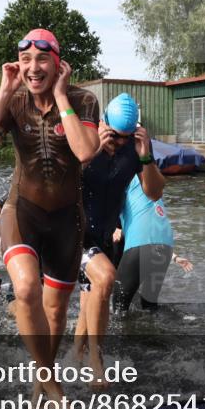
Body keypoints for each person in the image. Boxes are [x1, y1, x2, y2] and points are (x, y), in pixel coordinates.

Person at [0, 27, 99, 409]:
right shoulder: (15, 100)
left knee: (56, 310)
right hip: (21, 210)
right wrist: (3, 91)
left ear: (57, 63)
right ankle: (51, 381)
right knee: (25, 289)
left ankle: (42, 377)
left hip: (67, 219)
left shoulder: (82, 99)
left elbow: (86, 151)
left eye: (41, 59)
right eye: (25, 61)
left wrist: (60, 97)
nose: (33, 67)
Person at [76, 93, 164, 385]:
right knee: (104, 279)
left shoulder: (133, 151)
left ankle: (76, 354)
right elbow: (60, 183)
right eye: (114, 135)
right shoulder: (86, 143)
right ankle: (95, 363)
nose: (119, 142)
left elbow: (154, 193)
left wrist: (146, 155)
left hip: (102, 235)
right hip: (72, 232)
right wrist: (91, 152)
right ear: (103, 125)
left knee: (91, 294)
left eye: (127, 137)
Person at [114, 175, 192, 312]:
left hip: (141, 241)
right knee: (149, 305)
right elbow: (149, 220)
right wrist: (174, 256)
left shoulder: (122, 178)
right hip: (165, 245)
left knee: (119, 306)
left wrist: (113, 228)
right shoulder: (151, 182)